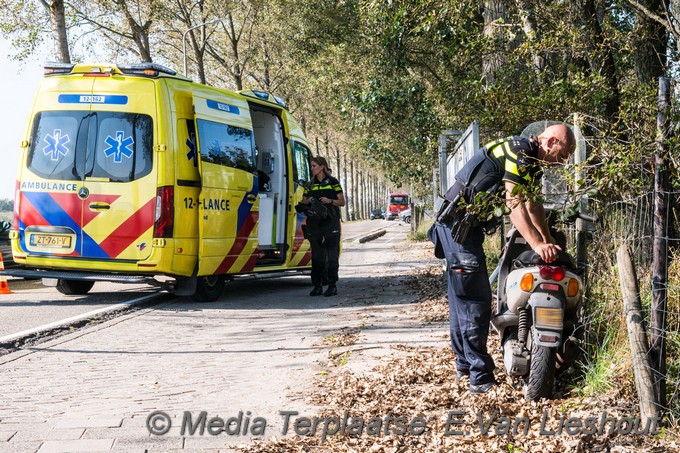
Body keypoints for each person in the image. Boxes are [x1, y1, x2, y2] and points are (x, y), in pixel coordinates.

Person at [428, 123, 576, 394]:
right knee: (476, 302)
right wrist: (537, 245)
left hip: (463, 230)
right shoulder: (519, 152)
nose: (562, 162)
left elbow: (533, 204)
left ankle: (464, 365)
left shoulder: (530, 160)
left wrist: (547, 240)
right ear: (550, 142)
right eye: (563, 154)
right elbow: (515, 203)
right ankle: (479, 377)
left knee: (463, 301)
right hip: (455, 227)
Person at [301, 156, 345, 297]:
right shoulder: (310, 184)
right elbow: (303, 201)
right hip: (315, 222)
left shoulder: (333, 182)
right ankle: (317, 285)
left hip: (331, 221)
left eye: (314, 166)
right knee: (317, 254)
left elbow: (342, 202)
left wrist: (329, 201)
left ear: (322, 166)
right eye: (311, 166)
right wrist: (308, 201)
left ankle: (332, 285)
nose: (312, 168)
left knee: (331, 253)